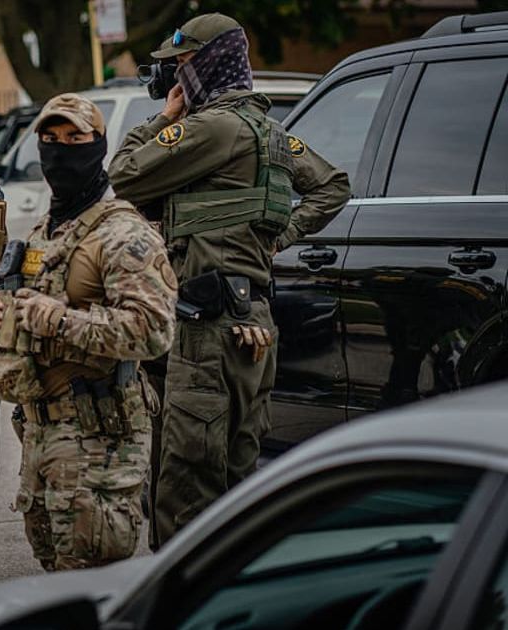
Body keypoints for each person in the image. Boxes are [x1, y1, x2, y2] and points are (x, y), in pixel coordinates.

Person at [107, 13, 350, 547]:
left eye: (183, 66)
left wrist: (161, 118)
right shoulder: (270, 132)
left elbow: (123, 173)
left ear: (210, 63)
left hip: (208, 328)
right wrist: (277, 236)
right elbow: (333, 186)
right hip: (253, 322)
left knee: (187, 483)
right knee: (239, 473)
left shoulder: (210, 127)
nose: (176, 81)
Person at [0, 93, 176, 571]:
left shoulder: (125, 234)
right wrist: (0, 307)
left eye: (75, 139)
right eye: (50, 139)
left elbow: (153, 332)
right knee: (54, 576)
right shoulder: (51, 227)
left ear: (99, 145)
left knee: (92, 583)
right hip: (43, 432)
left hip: (99, 437)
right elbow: (39, 299)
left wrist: (60, 320)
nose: (61, 150)